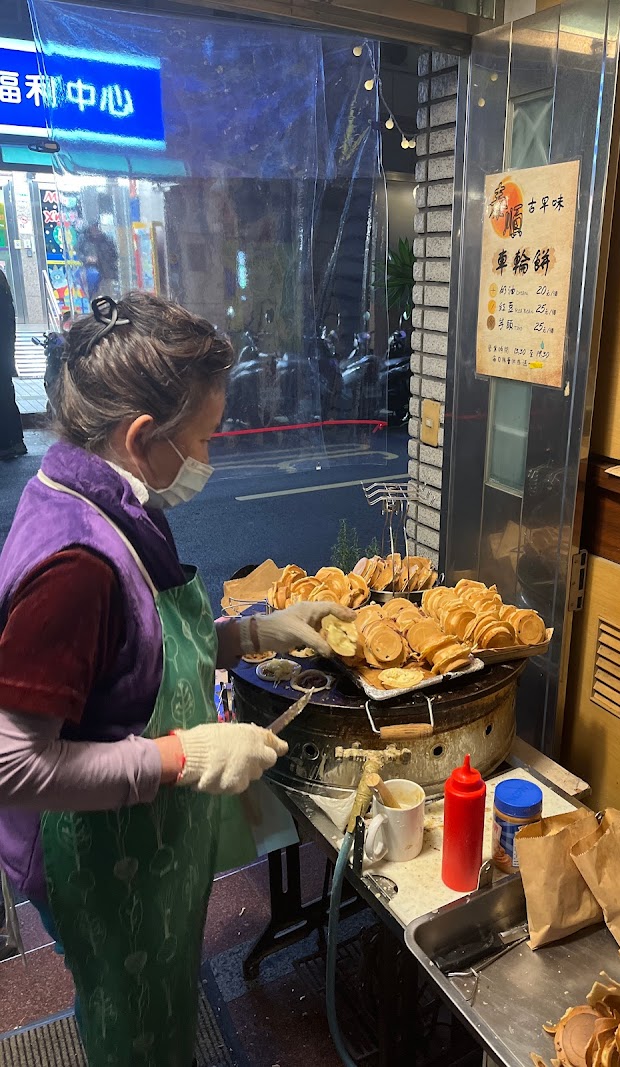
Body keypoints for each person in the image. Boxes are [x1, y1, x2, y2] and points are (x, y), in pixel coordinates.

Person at [0, 292, 353, 1066]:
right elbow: (14, 764)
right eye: (202, 437)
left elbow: (145, 642)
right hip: (97, 854)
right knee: (131, 1026)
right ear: (139, 437)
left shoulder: (113, 497)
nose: (208, 457)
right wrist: (179, 756)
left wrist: (255, 633)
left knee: (156, 1005)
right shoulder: (73, 563)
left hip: (142, 836)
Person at [0, 267, 25, 461]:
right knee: (6, 393)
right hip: (4, 351)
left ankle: (7, 443)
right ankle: (15, 440)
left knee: (3, 395)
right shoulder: (4, 287)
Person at [76, 221, 119, 299]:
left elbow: (114, 255)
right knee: (94, 296)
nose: (95, 230)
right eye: (93, 227)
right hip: (90, 274)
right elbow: (79, 255)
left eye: (96, 227)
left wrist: (102, 259)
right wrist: (87, 259)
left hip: (106, 273)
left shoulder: (106, 240)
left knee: (108, 295)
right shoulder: (84, 241)